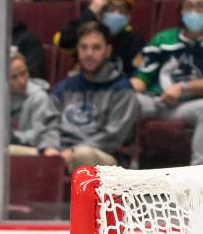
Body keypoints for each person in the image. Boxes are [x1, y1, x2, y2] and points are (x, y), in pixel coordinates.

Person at [130, 0, 203, 166]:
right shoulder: (163, 39)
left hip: (192, 105)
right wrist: (122, 89)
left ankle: (200, 176)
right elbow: (143, 78)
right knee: (123, 99)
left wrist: (183, 88)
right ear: (180, 11)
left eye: (200, 5)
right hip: (158, 102)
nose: (193, 11)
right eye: (188, 6)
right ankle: (124, 163)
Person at [52, 22, 138, 171]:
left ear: (108, 51)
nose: (89, 53)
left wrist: (72, 151)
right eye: (83, 47)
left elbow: (113, 136)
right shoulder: (63, 88)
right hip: (60, 151)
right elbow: (48, 124)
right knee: (8, 152)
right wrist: (50, 149)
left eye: (96, 47)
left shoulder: (122, 89)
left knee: (82, 154)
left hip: (103, 156)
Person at [0, 54, 59, 155]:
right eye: (13, 77)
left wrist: (11, 137)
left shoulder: (38, 96)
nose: (22, 81)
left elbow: (38, 134)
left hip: (29, 149)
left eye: (24, 73)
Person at [54, 0, 145, 79]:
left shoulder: (134, 40)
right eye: (110, 8)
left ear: (128, 16)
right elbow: (64, 42)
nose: (116, 13)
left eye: (122, 9)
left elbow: (137, 76)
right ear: (100, 12)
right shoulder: (88, 34)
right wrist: (91, 11)